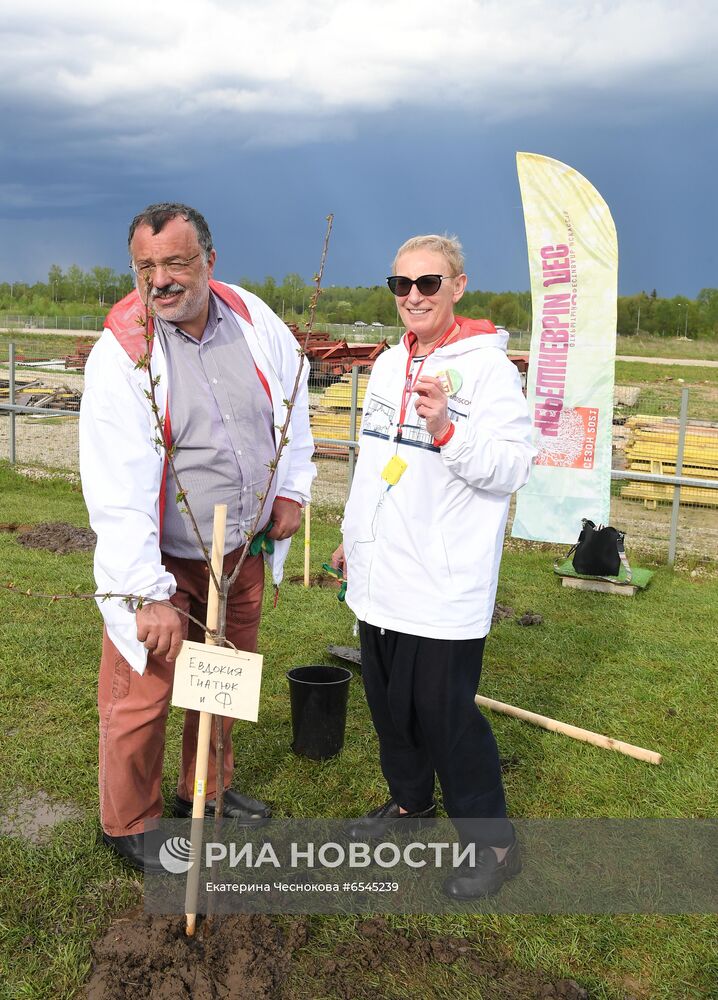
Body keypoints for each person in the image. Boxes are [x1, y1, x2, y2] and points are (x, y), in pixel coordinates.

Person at [79, 203, 315, 873]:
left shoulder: (249, 317)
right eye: (146, 266)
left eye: (176, 263)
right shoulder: (122, 356)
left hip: (237, 550)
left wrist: (291, 487)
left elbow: (293, 398)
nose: (160, 280)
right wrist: (143, 593)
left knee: (224, 676)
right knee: (143, 693)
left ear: (209, 261)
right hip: (164, 561)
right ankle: (128, 822)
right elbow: (116, 488)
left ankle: (205, 790)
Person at [332, 234, 534, 899]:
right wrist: (352, 536)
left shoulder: (489, 370)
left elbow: (513, 467)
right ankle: (410, 806)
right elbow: (377, 463)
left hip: (444, 584)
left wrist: (450, 429)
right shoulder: (390, 364)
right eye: (401, 285)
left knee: (445, 719)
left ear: (458, 286)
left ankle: (494, 845)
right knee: (391, 710)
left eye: (427, 283)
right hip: (380, 574)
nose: (413, 297)